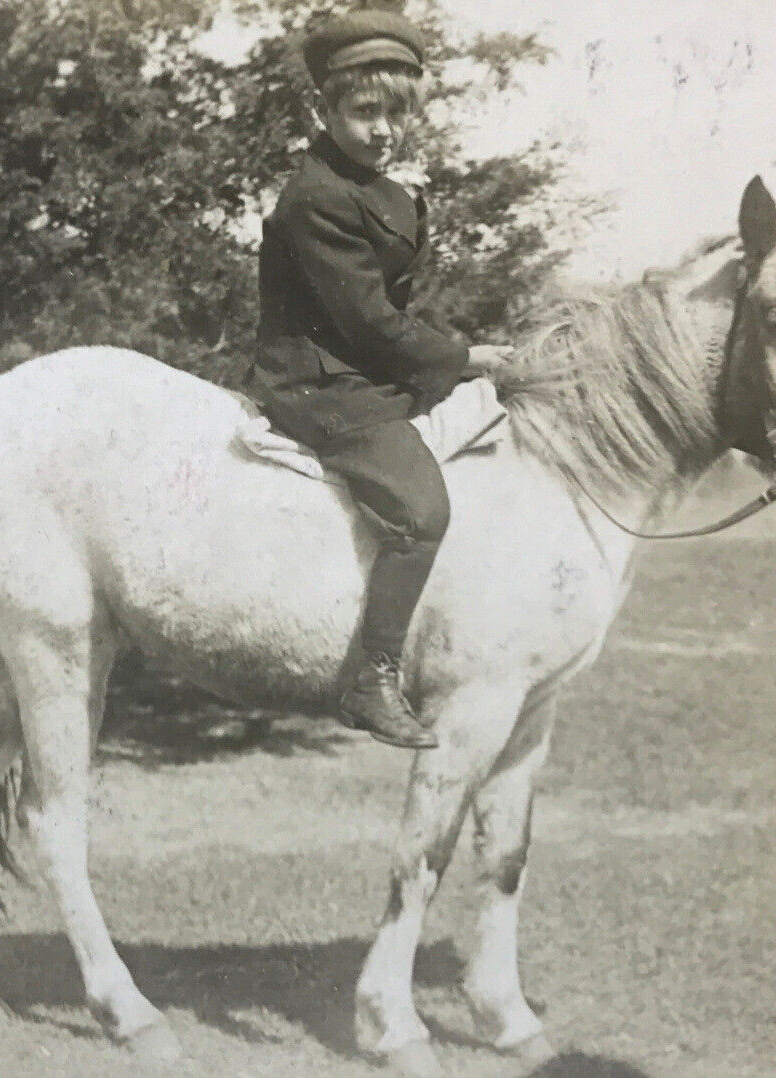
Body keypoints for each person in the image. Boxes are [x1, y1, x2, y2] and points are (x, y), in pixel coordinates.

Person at [246, 8, 511, 749]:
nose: (383, 129)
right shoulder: (315, 198)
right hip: (320, 382)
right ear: (320, 110)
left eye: (397, 113)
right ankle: (372, 678)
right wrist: (467, 358)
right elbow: (366, 322)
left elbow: (395, 309)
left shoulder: (380, 190)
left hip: (366, 371)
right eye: (363, 112)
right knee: (421, 510)